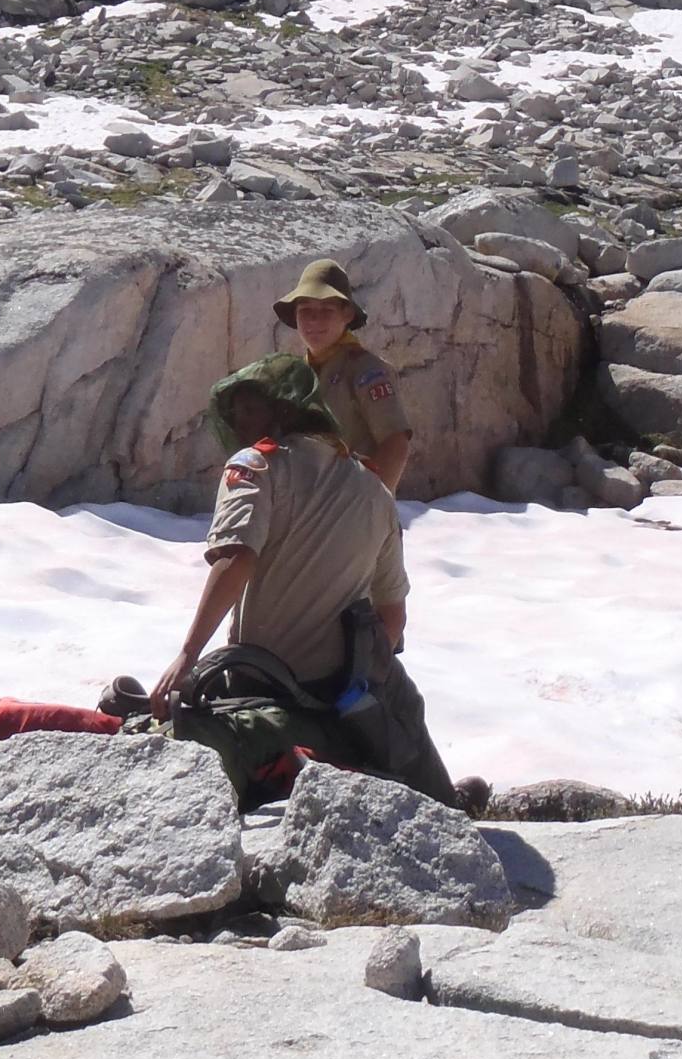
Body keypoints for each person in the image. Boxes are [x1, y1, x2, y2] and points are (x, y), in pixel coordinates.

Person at [150, 354, 462, 808]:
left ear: (283, 410)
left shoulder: (255, 465)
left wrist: (188, 654)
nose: (239, 423)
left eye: (250, 410)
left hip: (259, 679)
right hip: (337, 689)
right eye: (235, 413)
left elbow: (236, 557)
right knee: (402, 698)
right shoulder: (373, 488)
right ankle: (445, 805)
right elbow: (392, 616)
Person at [273, 259, 411, 492]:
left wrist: (371, 502)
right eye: (305, 311)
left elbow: (396, 444)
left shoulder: (365, 370)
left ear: (347, 314)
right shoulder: (297, 376)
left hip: (351, 504)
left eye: (326, 310)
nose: (314, 320)